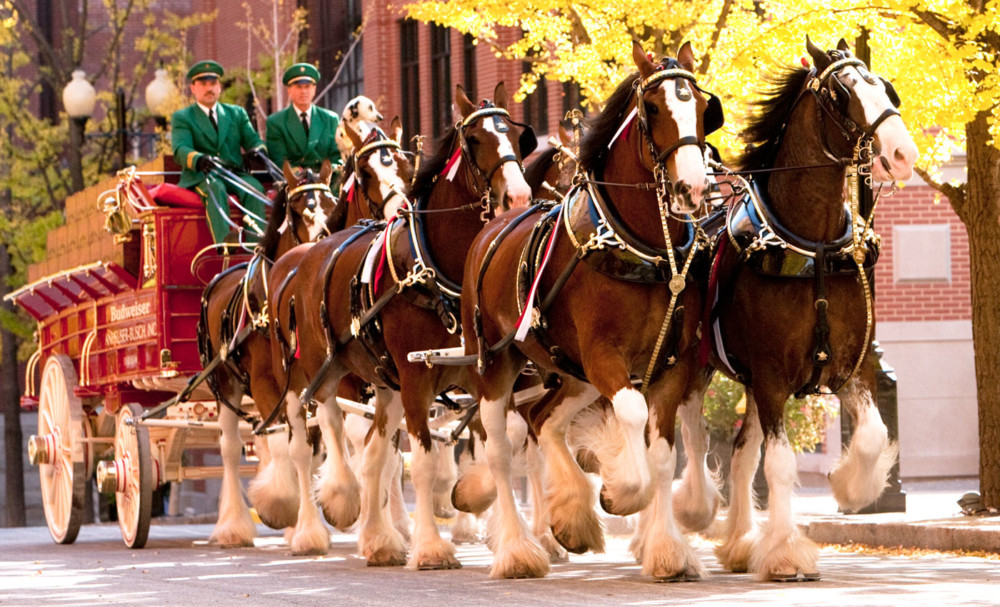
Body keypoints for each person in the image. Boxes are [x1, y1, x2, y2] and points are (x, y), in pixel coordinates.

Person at [171, 60, 270, 244]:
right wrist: (198, 159)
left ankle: (256, 244)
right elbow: (180, 148)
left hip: (233, 172)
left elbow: (253, 139)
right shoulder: (183, 117)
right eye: (203, 84)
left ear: (219, 87)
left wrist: (258, 150)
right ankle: (225, 243)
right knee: (215, 188)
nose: (209, 89)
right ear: (193, 88)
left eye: (213, 84)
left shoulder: (236, 113)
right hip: (201, 174)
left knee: (254, 188)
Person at [265, 63, 343, 172]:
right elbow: (279, 160)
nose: (303, 91)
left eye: (307, 86)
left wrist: (327, 172)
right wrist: (300, 175)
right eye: (298, 87)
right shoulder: (276, 122)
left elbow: (338, 157)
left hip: (327, 180)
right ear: (289, 90)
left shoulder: (330, 119)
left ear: (314, 89)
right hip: (295, 181)